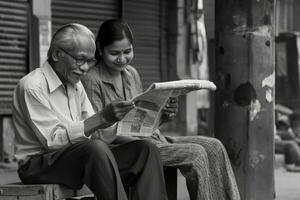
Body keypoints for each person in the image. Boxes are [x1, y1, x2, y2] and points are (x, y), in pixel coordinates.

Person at [81, 19, 240, 200]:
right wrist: (142, 138)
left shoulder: (131, 74)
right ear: (100, 49)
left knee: (214, 146)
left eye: (127, 51)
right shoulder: (91, 80)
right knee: (196, 154)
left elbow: (142, 120)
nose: (122, 59)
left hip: (153, 139)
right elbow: (97, 134)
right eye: (114, 53)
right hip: (126, 149)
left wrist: (163, 115)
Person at [12, 23, 168, 200]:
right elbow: (53, 141)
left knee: (145, 150)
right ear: (57, 54)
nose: (85, 68)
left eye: (89, 61)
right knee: (94, 150)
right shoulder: (32, 86)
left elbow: (95, 133)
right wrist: (102, 117)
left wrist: (114, 119)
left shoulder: (75, 84)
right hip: (39, 164)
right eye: (80, 59)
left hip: (80, 157)